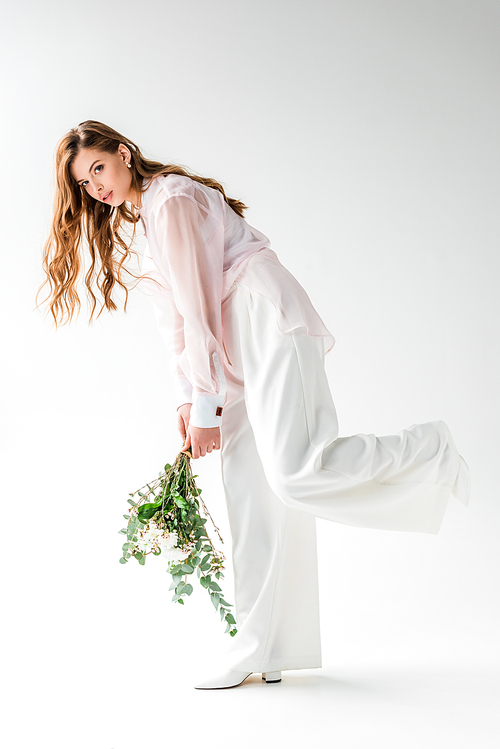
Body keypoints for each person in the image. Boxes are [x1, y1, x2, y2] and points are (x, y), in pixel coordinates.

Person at [38, 120, 471, 690]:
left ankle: (429, 448)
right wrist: (188, 398)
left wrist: (206, 407)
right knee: (249, 494)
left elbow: (197, 307)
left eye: (98, 168)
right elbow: (174, 321)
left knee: (296, 471)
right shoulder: (144, 222)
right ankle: (262, 646)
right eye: (85, 182)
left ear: (123, 153)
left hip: (261, 317)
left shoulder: (169, 199)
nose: (96, 187)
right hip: (230, 344)